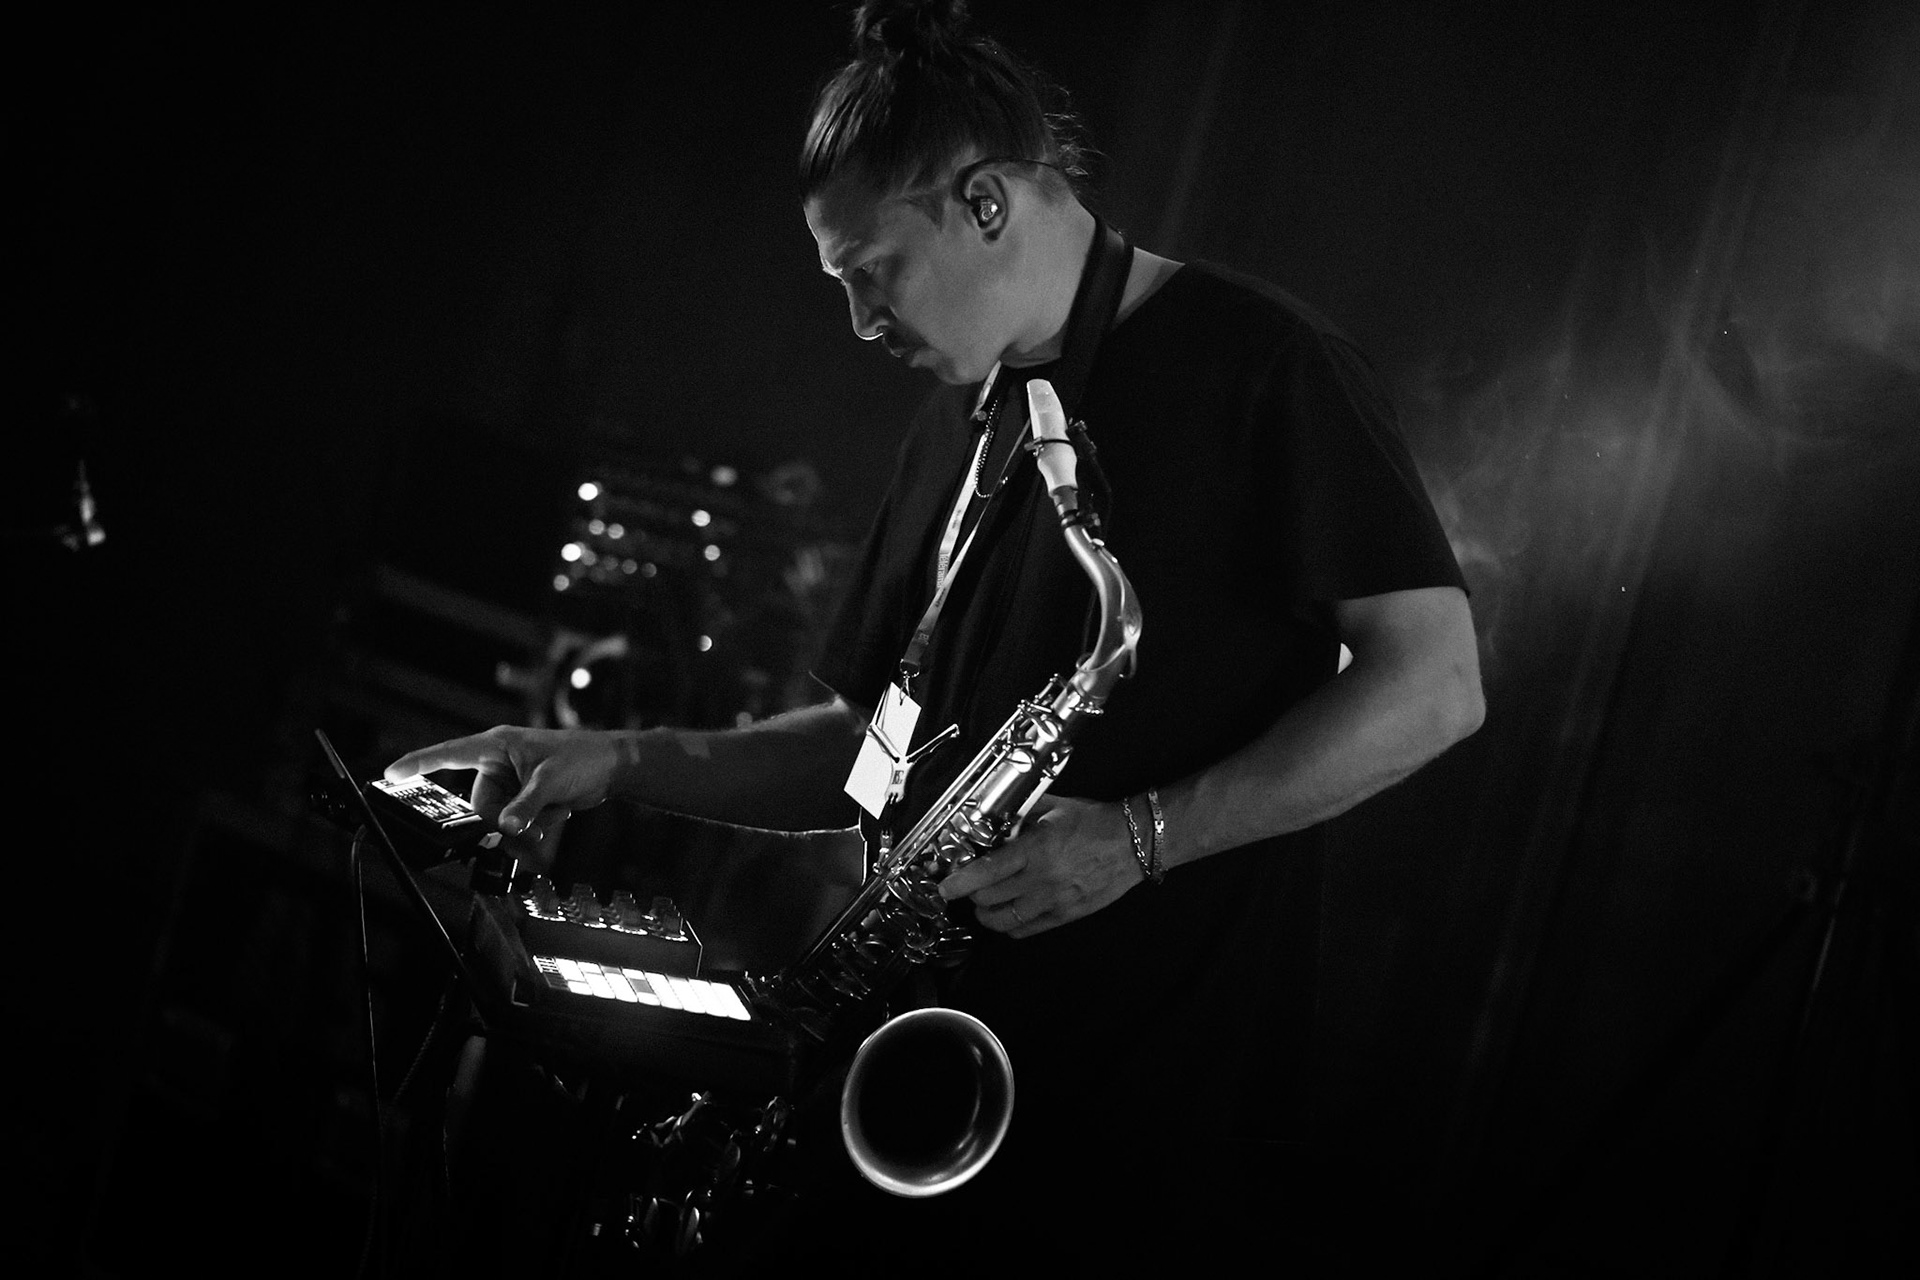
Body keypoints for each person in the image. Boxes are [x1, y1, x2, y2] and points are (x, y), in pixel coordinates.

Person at [388, 0, 1483, 1268]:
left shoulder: (1265, 365)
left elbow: (1438, 685)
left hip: (1131, 1120)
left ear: (985, 204)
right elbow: (868, 749)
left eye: (873, 273)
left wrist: (1143, 837)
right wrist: (622, 759)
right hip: (911, 1084)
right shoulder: (959, 418)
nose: (859, 323)